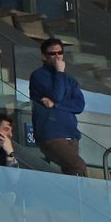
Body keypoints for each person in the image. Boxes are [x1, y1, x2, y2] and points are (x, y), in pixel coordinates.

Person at [29, 38, 86, 176]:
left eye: (59, 53)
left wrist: (56, 105)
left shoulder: (70, 79)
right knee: (78, 166)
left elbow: (79, 105)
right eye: (52, 54)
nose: (57, 57)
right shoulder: (38, 75)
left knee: (72, 172)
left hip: (71, 133)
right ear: (44, 56)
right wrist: (59, 72)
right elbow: (57, 95)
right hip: (51, 134)